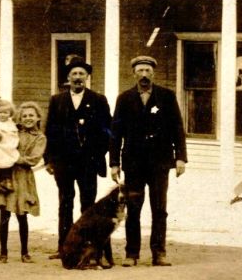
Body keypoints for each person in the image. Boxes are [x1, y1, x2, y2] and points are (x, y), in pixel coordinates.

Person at [109, 54, 187, 267]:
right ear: (134, 74)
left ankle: (159, 253)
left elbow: (177, 128)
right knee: (133, 208)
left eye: (148, 71)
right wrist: (114, 163)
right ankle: (132, 253)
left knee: (159, 209)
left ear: (153, 74)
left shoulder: (166, 97)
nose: (144, 75)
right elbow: (116, 133)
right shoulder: (124, 98)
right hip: (133, 163)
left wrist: (180, 158)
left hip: (159, 162)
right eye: (140, 71)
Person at [44, 55, 112, 262]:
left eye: (82, 73)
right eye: (74, 73)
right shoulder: (57, 100)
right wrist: (49, 159)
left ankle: (88, 248)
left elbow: (107, 131)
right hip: (63, 162)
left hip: (88, 163)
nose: (78, 77)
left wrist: (97, 154)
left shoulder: (98, 100)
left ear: (87, 77)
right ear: (68, 77)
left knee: (88, 205)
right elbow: (50, 131)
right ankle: (64, 248)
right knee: (65, 204)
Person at [0, 101, 47, 263]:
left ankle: (25, 252)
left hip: (23, 178)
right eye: (24, 116)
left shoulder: (40, 138)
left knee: (22, 215)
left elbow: (33, 159)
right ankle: (3, 253)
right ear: (19, 118)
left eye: (31, 115)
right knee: (4, 215)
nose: (28, 118)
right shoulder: (12, 130)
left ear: (38, 118)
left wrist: (11, 156)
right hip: (6, 175)